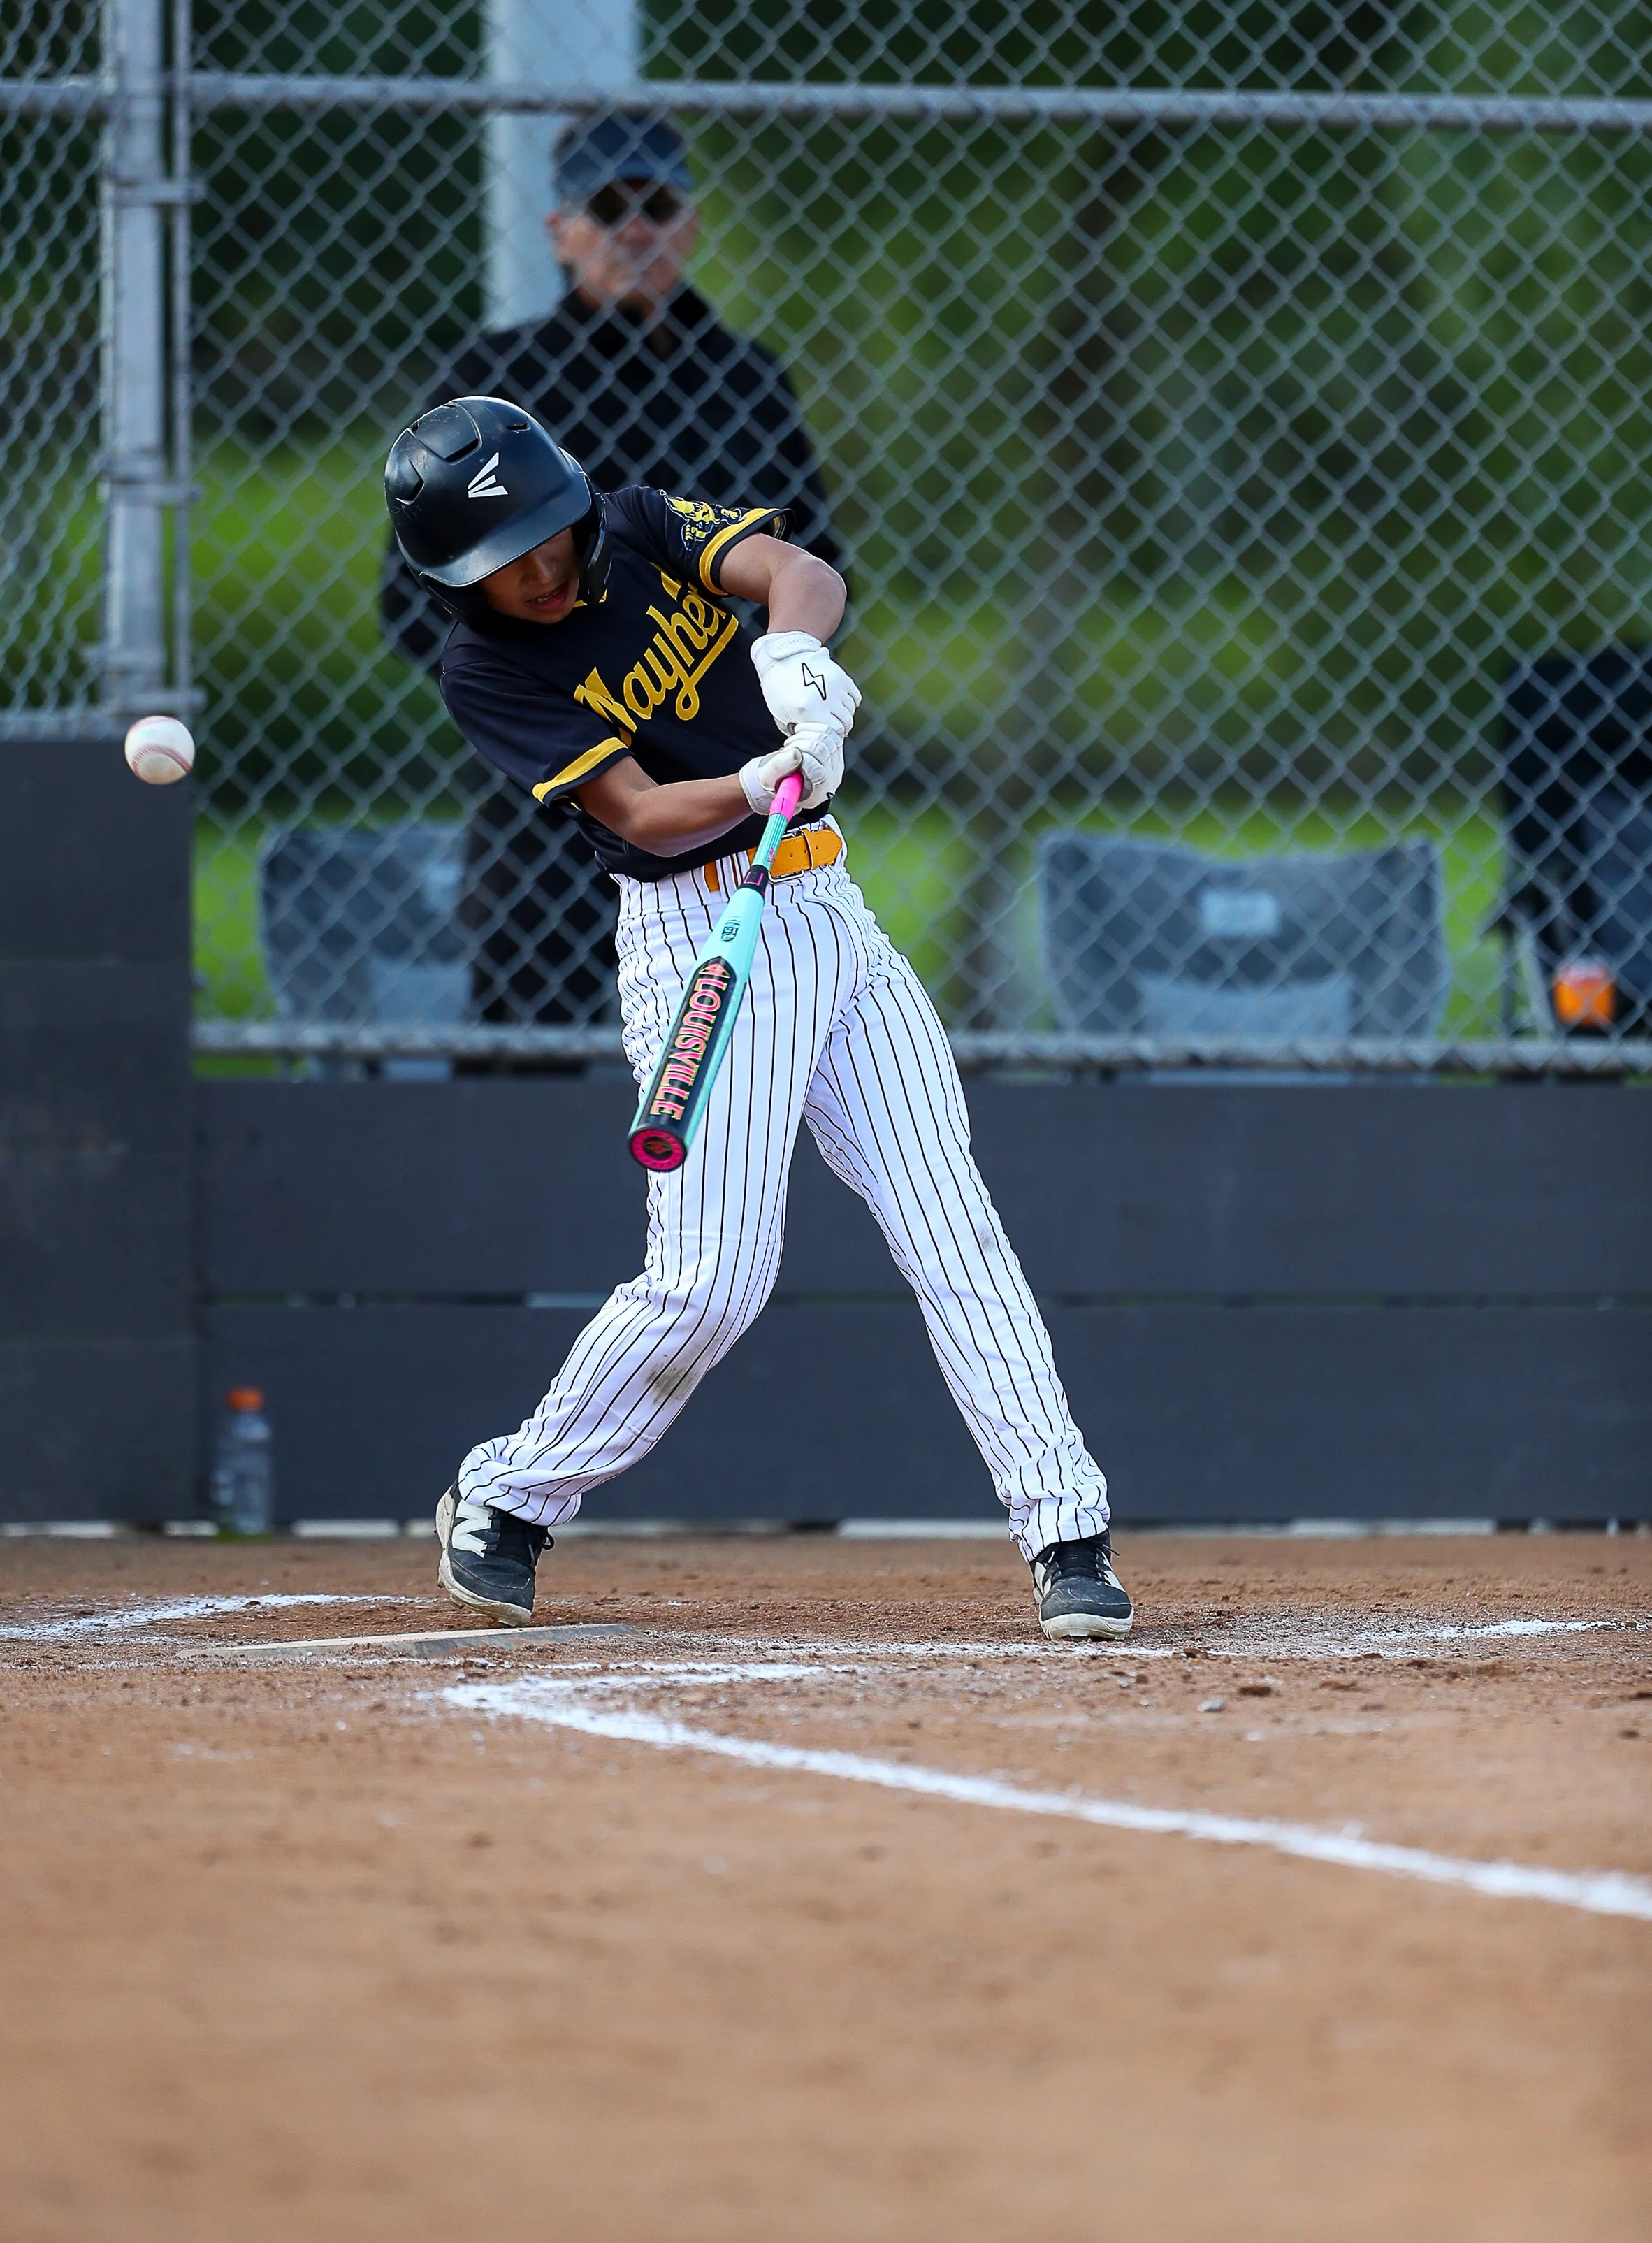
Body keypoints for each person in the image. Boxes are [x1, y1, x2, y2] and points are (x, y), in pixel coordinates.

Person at [381, 394, 1133, 1643]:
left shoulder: (632, 520)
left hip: (826, 909)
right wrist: (752, 780)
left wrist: (794, 658)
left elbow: (795, 569)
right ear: (461, 579)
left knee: (951, 1225)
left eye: (547, 542)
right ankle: (510, 1494)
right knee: (713, 1280)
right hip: (697, 939)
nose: (541, 573)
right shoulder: (488, 669)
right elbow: (640, 813)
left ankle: (1066, 1527)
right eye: (505, 566)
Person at [382, 108, 839, 1032]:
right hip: (559, 804)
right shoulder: (497, 384)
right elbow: (408, 598)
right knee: (532, 1042)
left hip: (727, 784)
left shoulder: (747, 378)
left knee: (758, 1042)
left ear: (693, 222)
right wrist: (565, 688)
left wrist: (760, 682)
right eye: (609, 203)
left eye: (659, 202)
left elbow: (816, 557)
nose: (637, 227)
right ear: (562, 230)